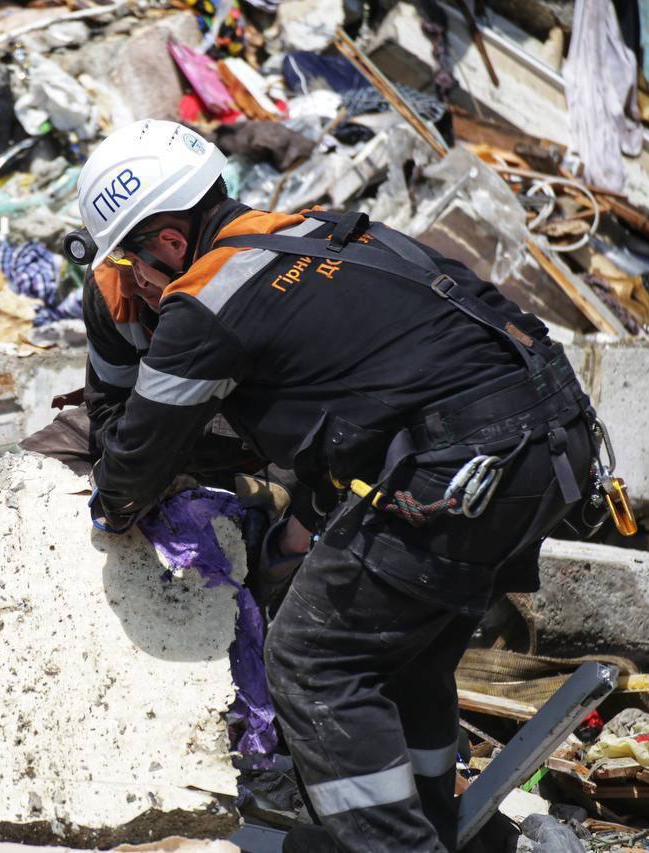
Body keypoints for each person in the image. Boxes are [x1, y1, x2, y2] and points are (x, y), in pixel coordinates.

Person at [67, 119, 604, 852]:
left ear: (168, 240)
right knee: (403, 653)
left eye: (133, 262)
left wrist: (110, 508)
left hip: (464, 463)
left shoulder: (204, 303)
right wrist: (310, 515)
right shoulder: (322, 236)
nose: (133, 286)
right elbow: (354, 408)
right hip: (551, 439)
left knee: (313, 657)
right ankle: (441, 827)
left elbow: (137, 456)